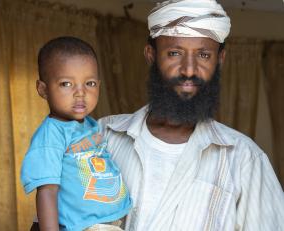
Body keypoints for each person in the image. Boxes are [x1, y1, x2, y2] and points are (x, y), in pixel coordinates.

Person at [98, 0, 284, 230]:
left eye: (204, 55)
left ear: (220, 59)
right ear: (151, 55)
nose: (188, 69)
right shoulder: (102, 137)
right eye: (174, 53)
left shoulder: (245, 160)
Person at [21, 36, 132, 231]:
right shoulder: (51, 134)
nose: (80, 93)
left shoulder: (90, 125)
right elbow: (47, 192)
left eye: (89, 83)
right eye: (66, 84)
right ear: (43, 89)